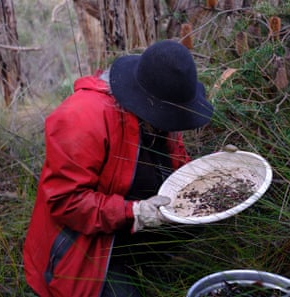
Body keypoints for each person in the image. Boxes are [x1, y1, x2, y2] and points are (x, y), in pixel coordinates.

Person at [23, 40, 214, 297]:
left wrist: (213, 174)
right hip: (82, 246)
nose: (170, 125)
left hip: (131, 227)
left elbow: (179, 169)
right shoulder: (82, 118)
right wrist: (133, 212)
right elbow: (66, 202)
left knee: (203, 213)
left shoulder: (162, 115)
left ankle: (145, 269)